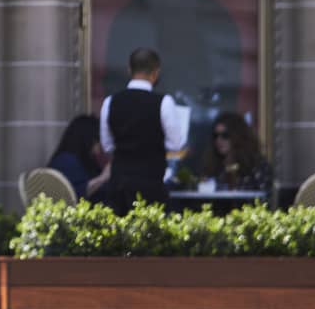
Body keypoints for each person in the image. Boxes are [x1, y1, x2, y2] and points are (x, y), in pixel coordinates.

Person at [99, 47, 188, 213]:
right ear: (156, 73)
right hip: (151, 184)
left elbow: (107, 146)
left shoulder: (110, 102)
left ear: (129, 70)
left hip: (119, 187)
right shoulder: (164, 102)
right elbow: (176, 144)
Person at [199, 111, 273, 193]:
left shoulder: (257, 166)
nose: (219, 140)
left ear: (237, 136)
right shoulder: (214, 166)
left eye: (225, 135)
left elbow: (265, 196)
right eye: (216, 135)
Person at [47, 115, 111, 200]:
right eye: (97, 141)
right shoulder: (66, 161)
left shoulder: (83, 159)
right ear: (87, 140)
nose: (98, 148)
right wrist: (103, 178)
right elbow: (74, 194)